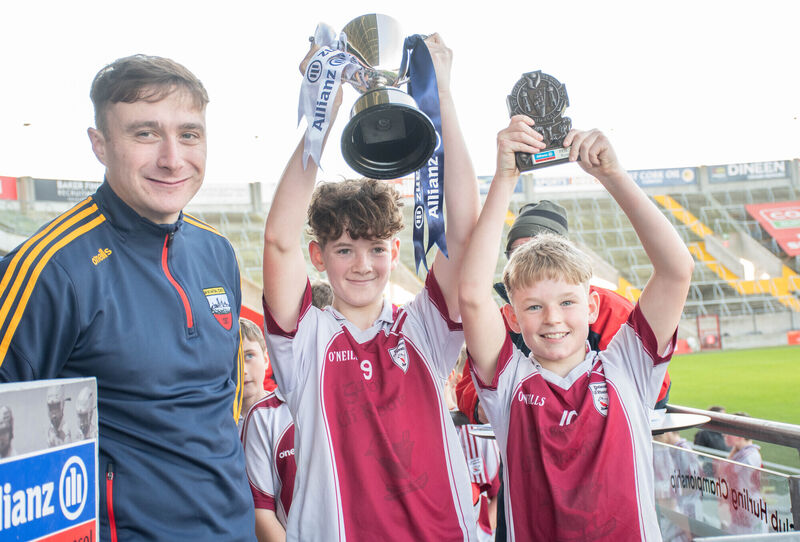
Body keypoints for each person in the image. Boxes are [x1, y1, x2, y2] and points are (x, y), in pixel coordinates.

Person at [0, 54, 253, 540]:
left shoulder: (218, 252)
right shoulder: (52, 268)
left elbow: (227, 406)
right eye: (145, 133)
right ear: (100, 144)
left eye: (189, 134)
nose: (172, 158)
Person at [262, 34, 480, 541]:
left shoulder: (425, 326)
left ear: (395, 254)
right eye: (344, 250)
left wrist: (441, 95)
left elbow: (463, 232)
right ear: (318, 256)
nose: (362, 265)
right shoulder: (304, 337)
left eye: (376, 249)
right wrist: (326, 110)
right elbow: (277, 240)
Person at [459, 116, 694, 540]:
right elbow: (472, 292)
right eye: (533, 307)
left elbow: (676, 271)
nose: (552, 318)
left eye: (567, 302)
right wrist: (505, 176)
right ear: (510, 318)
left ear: (591, 306)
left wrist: (612, 175)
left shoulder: (627, 366)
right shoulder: (509, 381)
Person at [239, 318, 296, 542]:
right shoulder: (218, 426)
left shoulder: (287, 411)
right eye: (234, 360)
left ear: (266, 359)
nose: (242, 369)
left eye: (249, 356)